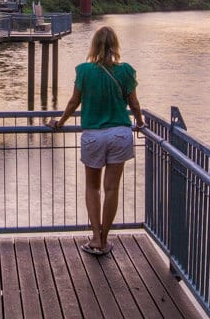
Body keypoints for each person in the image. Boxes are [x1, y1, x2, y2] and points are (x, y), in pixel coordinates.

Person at [46, 26, 144, 256]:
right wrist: (139, 123)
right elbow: (135, 105)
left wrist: (59, 123)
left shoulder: (84, 71)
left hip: (93, 136)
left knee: (92, 187)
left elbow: (73, 103)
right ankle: (105, 239)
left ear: (93, 46)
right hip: (120, 134)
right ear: (116, 46)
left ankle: (95, 238)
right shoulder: (126, 71)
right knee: (112, 189)